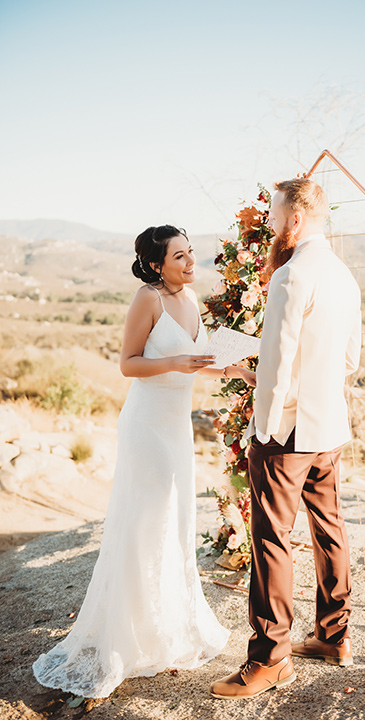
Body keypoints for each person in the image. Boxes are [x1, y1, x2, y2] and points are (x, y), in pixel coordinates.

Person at [33, 224, 253, 699]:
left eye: (191, 253)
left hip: (175, 428)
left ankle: (166, 627)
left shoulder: (191, 300)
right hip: (146, 426)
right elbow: (128, 363)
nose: (192, 262)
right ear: (157, 265)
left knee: (174, 521)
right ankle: (128, 637)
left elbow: (196, 360)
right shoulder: (147, 299)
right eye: (180, 257)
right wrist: (174, 365)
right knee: (146, 522)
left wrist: (231, 368)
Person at [211, 178, 362, 700]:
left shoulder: (291, 275)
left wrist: (266, 428)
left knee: (272, 539)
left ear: (294, 219)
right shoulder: (344, 275)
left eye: (275, 215)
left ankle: (270, 658)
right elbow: (349, 360)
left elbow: (275, 366)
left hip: (289, 430)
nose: (273, 224)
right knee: (329, 527)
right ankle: (333, 637)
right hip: (330, 426)